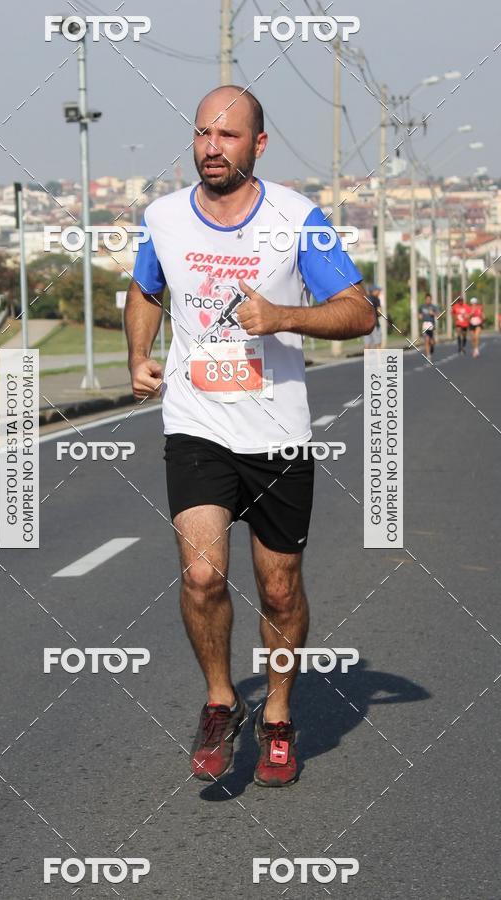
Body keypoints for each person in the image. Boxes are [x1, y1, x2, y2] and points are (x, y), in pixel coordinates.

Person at [126, 85, 374, 788]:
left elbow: (360, 311)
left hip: (277, 431)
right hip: (197, 423)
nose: (212, 147)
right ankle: (219, 699)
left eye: (228, 136)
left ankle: (279, 716)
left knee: (280, 588)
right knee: (202, 573)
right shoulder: (165, 217)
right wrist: (138, 357)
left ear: (257, 145)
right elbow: (147, 290)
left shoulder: (298, 219)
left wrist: (283, 316)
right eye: (203, 133)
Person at [419, 293, 439, 359]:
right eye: (427, 299)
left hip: (431, 325)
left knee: (431, 341)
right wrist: (420, 316)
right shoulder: (422, 306)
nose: (428, 301)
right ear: (425, 299)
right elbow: (419, 314)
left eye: (429, 299)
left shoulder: (433, 307)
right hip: (425, 324)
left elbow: (438, 315)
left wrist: (433, 313)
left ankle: (432, 346)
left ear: (431, 300)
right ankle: (428, 355)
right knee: (426, 340)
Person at [363, 285, 383, 349]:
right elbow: (379, 312)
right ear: (374, 291)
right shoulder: (376, 299)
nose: (379, 292)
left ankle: (367, 358)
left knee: (367, 343)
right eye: (378, 290)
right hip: (374, 324)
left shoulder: (365, 299)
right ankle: (379, 358)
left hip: (366, 325)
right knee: (378, 343)